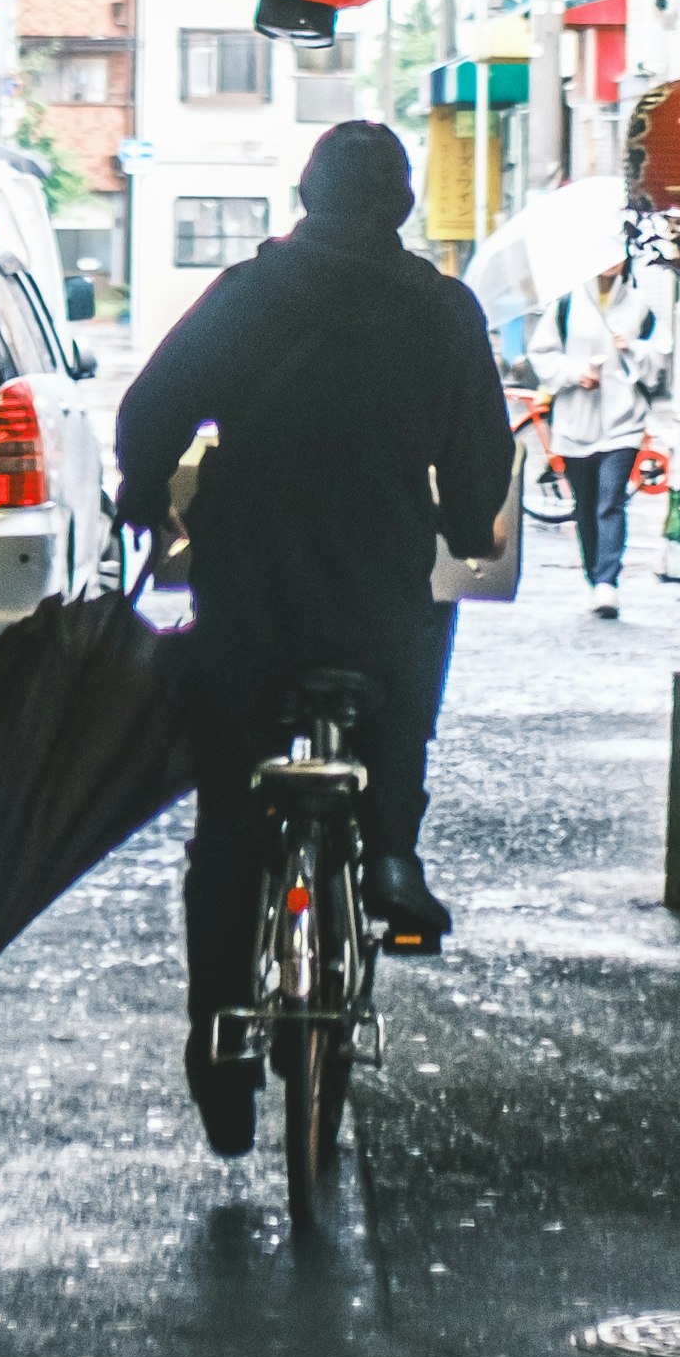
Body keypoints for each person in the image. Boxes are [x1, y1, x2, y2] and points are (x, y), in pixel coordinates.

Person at [115, 120, 513, 1156]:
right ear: (402, 210)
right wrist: (467, 529)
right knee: (416, 653)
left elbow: (151, 406)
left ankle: (217, 1045)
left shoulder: (249, 297)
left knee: (228, 831)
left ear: (302, 195)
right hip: (374, 593)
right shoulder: (441, 310)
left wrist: (143, 492)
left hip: (250, 598)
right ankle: (389, 852)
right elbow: (480, 459)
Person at [540, 272, 665, 613]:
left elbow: (659, 354)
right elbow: (543, 355)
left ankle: (608, 581)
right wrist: (575, 373)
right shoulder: (565, 305)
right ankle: (594, 577)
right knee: (585, 505)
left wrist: (634, 349)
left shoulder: (638, 305)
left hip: (623, 421)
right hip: (575, 422)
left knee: (610, 501)